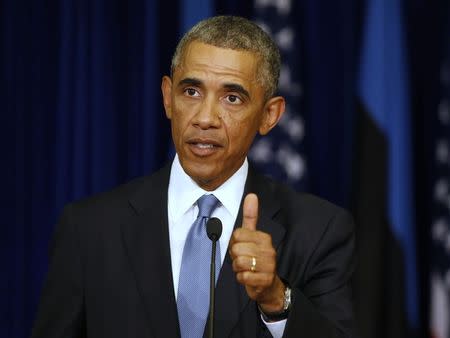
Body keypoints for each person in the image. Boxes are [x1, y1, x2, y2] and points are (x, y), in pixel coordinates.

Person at [31, 16, 356, 338]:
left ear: (269, 116)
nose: (204, 118)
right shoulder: (89, 229)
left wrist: (274, 297)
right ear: (167, 97)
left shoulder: (319, 231)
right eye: (191, 91)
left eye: (232, 98)